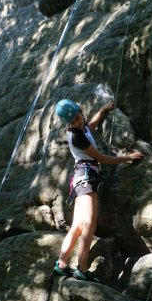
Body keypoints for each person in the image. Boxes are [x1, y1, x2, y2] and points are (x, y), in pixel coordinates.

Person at [54, 98, 144, 282]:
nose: (78, 121)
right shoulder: (77, 137)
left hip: (81, 177)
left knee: (78, 225)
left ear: (80, 110)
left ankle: (61, 264)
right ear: (69, 124)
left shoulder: (81, 129)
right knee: (89, 223)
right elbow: (102, 159)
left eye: (78, 117)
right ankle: (82, 267)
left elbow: (90, 126)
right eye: (73, 121)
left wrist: (103, 110)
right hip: (87, 176)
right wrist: (127, 158)